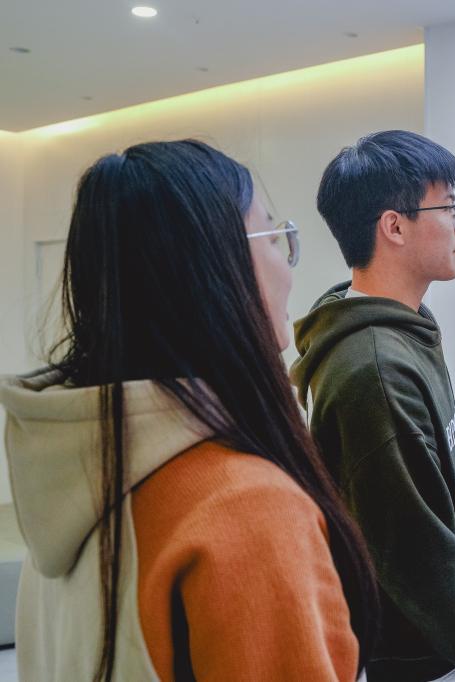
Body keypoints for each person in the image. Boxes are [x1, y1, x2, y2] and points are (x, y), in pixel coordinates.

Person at [0, 140, 378, 681]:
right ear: (214, 267)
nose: (288, 267)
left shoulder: (72, 479)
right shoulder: (245, 507)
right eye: (274, 238)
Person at [290, 130, 455, 682]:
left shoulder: (403, 333)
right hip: (416, 663)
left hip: (441, 650)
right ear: (394, 226)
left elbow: (452, 485)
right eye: (450, 208)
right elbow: (415, 547)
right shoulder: (375, 368)